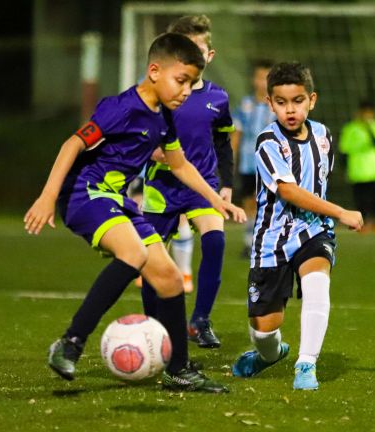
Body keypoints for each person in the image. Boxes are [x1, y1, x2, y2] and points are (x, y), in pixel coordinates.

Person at [23, 32, 245, 393]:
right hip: (86, 193)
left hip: (119, 200)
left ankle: (178, 370)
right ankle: (70, 343)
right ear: (154, 70)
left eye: (191, 82)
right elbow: (73, 143)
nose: (187, 90)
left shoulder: (165, 118)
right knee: (134, 253)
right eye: (181, 80)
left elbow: (180, 165)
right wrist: (47, 196)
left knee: (170, 279)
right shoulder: (122, 107)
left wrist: (216, 199)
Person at [230, 62, 363, 390]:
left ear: (312, 100)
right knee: (264, 329)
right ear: (269, 103)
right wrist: (341, 212)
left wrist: (328, 218)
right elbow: (288, 190)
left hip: (314, 230)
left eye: (298, 101)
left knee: (318, 283)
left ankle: (306, 365)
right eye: (282, 102)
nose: (290, 109)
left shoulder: (324, 136)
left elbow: (319, 181)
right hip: (271, 238)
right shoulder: (266, 142)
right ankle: (269, 355)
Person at [140, 15, 235, 349]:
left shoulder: (218, 98)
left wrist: (227, 183)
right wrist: (151, 153)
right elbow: (135, 134)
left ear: (210, 55)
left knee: (215, 242)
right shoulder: (158, 93)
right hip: (162, 187)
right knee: (151, 259)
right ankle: (154, 328)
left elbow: (223, 141)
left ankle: (200, 321)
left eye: (199, 48)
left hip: (203, 185)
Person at [231, 59, 275, 257]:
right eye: (260, 77)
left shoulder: (278, 106)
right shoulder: (246, 104)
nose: (262, 82)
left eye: (267, 78)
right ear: (254, 80)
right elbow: (236, 134)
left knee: (269, 202)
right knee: (250, 201)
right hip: (249, 163)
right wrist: (232, 159)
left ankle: (267, 241)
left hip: (273, 164)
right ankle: (250, 242)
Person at [339, 100, 375, 233]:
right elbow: (344, 151)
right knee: (361, 201)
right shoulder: (350, 128)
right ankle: (363, 224)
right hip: (357, 171)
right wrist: (344, 169)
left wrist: (368, 128)